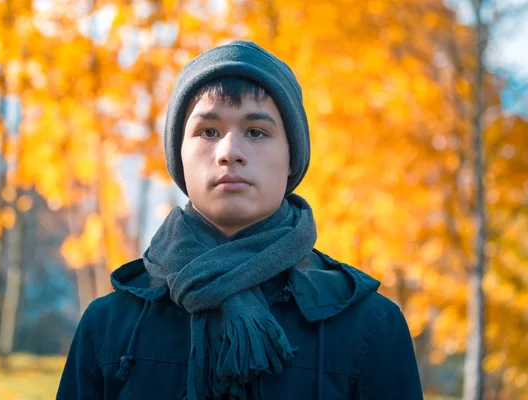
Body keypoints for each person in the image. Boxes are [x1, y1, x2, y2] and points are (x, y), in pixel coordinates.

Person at [57, 40, 423, 400]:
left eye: (256, 132)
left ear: (293, 157)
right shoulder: (109, 325)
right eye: (209, 132)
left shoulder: (368, 326)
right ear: (178, 156)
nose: (230, 152)